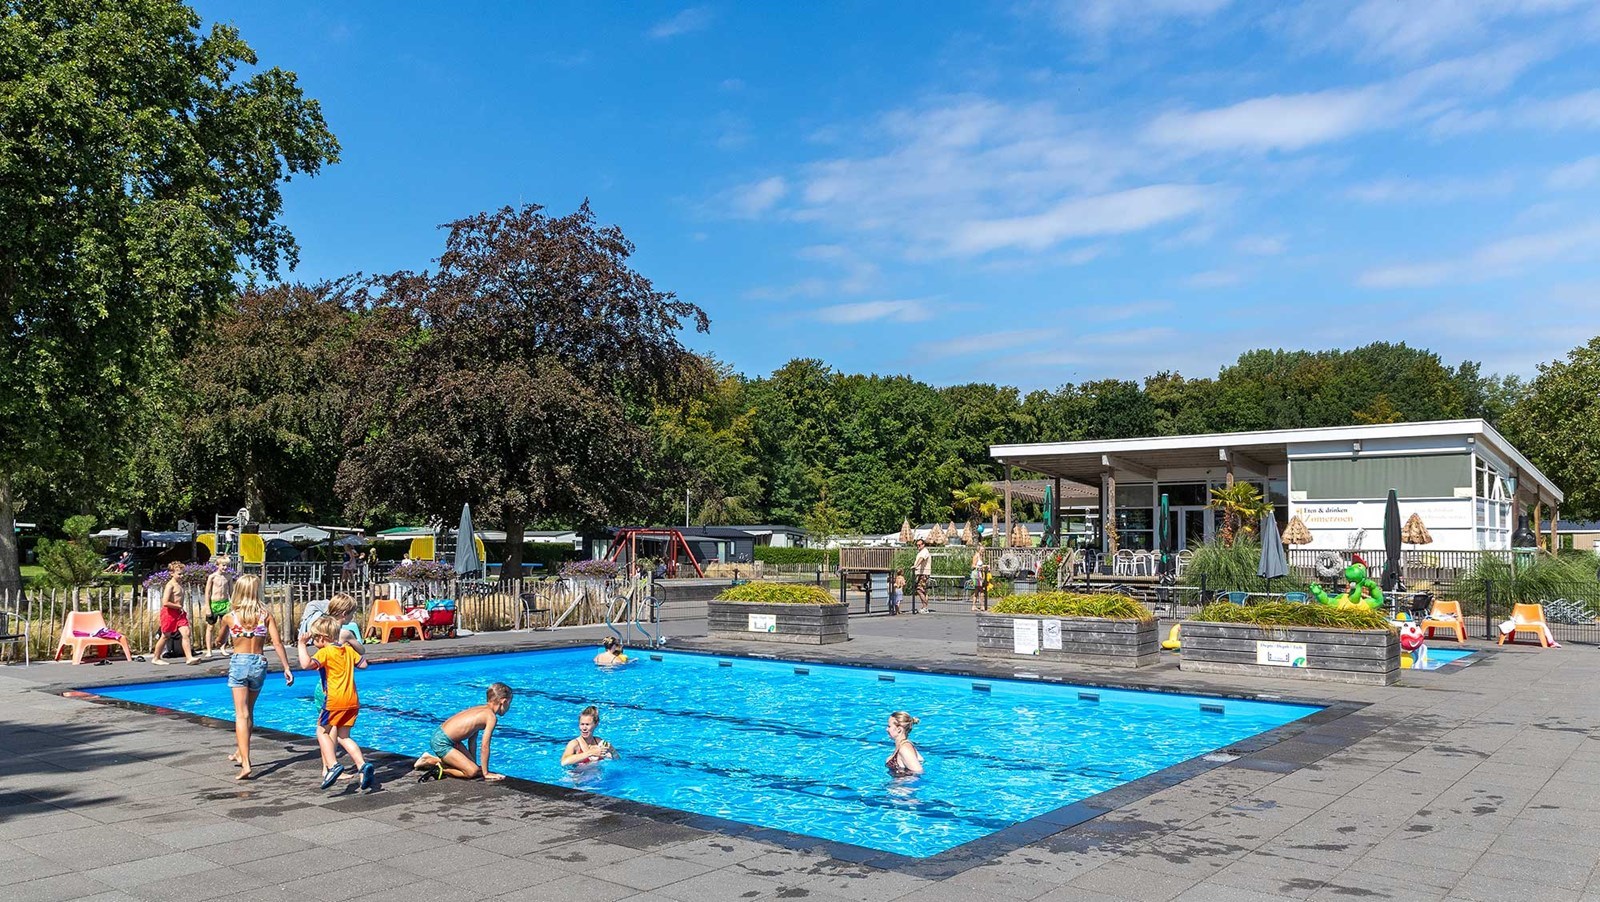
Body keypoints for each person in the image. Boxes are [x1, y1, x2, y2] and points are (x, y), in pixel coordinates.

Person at [224, 574, 294, 779]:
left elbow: (221, 638)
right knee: (249, 712)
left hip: (239, 663)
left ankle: (246, 762)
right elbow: (278, 643)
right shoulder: (265, 615)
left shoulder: (230, 617)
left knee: (240, 714)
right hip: (259, 663)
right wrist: (286, 667)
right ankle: (240, 750)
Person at [297, 615, 377, 792]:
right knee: (343, 736)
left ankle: (333, 766)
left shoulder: (325, 652)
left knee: (322, 731)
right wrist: (351, 647)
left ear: (323, 638)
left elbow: (306, 664)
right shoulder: (347, 651)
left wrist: (301, 645)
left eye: (314, 639)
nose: (312, 642)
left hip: (334, 700)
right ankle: (362, 765)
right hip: (352, 701)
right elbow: (364, 665)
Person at [414, 683, 513, 781]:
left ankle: (428, 759)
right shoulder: (491, 717)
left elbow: (472, 741)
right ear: (504, 702)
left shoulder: (480, 710)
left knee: (475, 768)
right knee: (472, 772)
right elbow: (485, 746)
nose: (509, 707)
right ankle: (435, 764)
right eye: (510, 703)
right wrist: (486, 773)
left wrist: (473, 762)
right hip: (442, 742)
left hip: (447, 738)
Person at [151, 562, 201, 665]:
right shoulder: (170, 585)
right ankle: (156, 658)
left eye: (182, 574)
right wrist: (178, 606)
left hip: (179, 613)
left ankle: (189, 658)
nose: (181, 576)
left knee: (186, 632)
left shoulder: (179, 584)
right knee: (165, 636)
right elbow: (165, 602)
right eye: (179, 574)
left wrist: (180, 608)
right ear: (171, 573)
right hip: (169, 613)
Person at [202, 555, 235, 658]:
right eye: (223, 565)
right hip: (214, 604)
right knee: (210, 627)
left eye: (227, 566)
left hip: (224, 603)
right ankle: (209, 650)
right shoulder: (212, 577)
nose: (225, 568)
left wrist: (232, 604)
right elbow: (207, 593)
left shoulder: (228, 577)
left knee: (224, 627)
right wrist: (208, 607)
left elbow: (231, 592)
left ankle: (223, 648)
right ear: (218, 565)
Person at [885, 711, 924, 778]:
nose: (887, 729)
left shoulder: (904, 749)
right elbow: (920, 760)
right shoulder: (905, 745)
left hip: (903, 787)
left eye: (889, 726)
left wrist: (899, 782)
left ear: (899, 729)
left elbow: (918, 772)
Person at [913, 538, 932, 615]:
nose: (918, 546)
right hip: (921, 573)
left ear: (923, 545)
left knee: (919, 590)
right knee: (924, 591)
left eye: (919, 545)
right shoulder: (921, 552)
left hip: (924, 574)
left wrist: (916, 565)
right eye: (917, 545)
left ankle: (925, 607)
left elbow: (921, 559)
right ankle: (925, 607)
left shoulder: (925, 551)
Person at [969, 547, 988, 612]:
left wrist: (985, 567)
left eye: (984, 550)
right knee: (981, 590)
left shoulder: (980, 556)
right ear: (979, 550)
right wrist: (982, 566)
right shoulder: (976, 556)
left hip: (979, 573)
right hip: (976, 574)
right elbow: (973, 565)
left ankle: (974, 606)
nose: (983, 551)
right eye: (982, 550)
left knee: (977, 590)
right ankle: (982, 605)